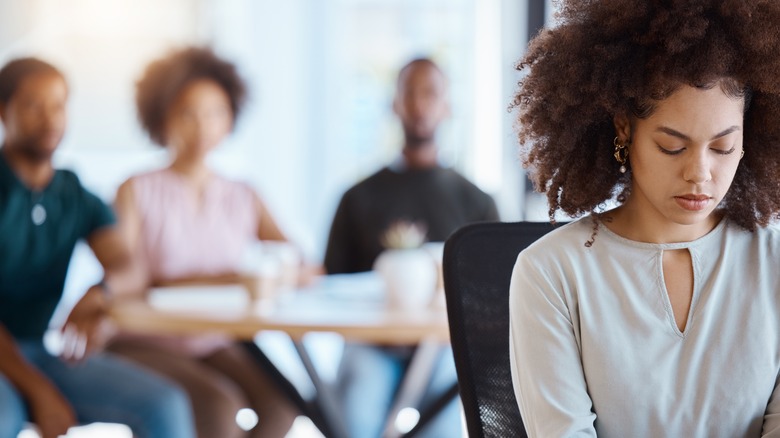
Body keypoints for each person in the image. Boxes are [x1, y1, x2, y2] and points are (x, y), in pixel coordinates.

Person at [508, 1, 780, 437]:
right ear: (623, 129)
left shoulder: (774, 264)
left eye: (723, 148)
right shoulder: (551, 273)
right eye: (672, 146)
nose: (700, 173)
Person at [106, 47, 299, 438]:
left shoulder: (243, 194)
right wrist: (228, 279)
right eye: (188, 113)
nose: (202, 125)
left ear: (231, 118)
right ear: (163, 118)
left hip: (212, 340)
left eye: (215, 112)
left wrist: (276, 271)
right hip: (143, 340)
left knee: (285, 403)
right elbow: (127, 277)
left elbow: (298, 259)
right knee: (218, 405)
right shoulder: (136, 190)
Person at [0, 57, 196, 438]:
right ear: (2, 111)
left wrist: (100, 293)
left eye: (59, 104)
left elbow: (129, 266)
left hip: (39, 352)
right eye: (33, 104)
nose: (50, 118)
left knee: (165, 405)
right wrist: (40, 390)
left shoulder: (74, 194)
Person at [325, 58, 499, 438]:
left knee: (443, 423)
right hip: (372, 343)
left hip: (441, 346)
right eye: (409, 93)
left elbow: (494, 296)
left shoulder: (477, 202)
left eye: (431, 93)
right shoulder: (355, 198)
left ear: (447, 105)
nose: (420, 105)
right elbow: (332, 285)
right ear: (394, 104)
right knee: (354, 414)